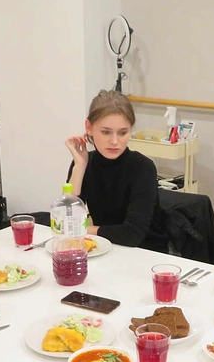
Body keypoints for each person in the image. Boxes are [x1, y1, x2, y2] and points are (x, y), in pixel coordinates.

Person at [64, 89, 166, 251]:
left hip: (145, 253)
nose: (114, 141)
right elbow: (66, 218)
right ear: (89, 127)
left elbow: (132, 234)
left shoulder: (143, 167)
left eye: (122, 133)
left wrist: (82, 230)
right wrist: (80, 166)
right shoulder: (83, 163)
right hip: (106, 247)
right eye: (105, 132)